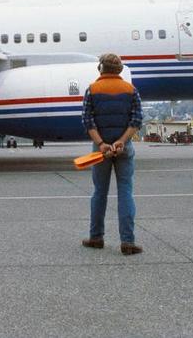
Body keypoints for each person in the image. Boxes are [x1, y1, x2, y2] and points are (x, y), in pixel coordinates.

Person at [80, 53, 143, 255]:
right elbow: (136, 120)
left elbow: (87, 121)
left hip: (101, 150)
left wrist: (101, 144)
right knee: (125, 192)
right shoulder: (131, 90)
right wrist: (121, 141)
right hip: (124, 148)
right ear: (120, 69)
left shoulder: (92, 90)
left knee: (99, 192)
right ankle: (128, 241)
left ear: (101, 68)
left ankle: (96, 237)